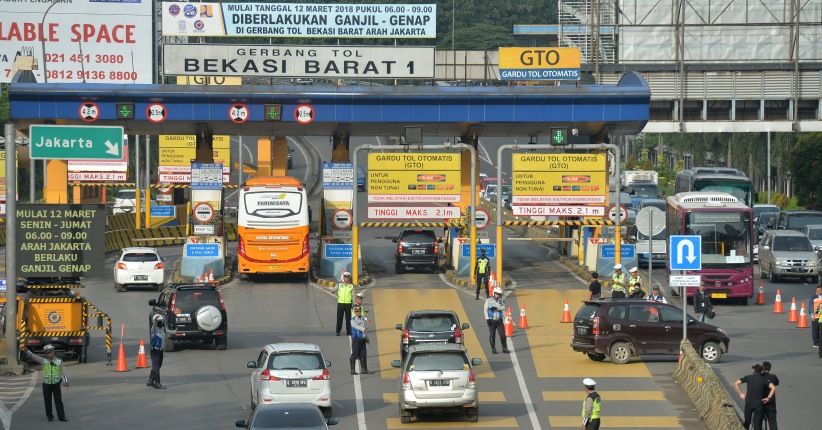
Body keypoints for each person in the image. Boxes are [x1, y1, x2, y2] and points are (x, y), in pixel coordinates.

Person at [25, 345, 69, 422]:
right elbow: (33, 356)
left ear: (53, 352)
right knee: (47, 401)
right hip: (46, 384)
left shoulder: (59, 361)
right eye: (47, 353)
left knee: (58, 401)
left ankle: (62, 417)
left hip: (56, 384)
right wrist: (26, 350)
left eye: (50, 352)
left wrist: (66, 381)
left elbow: (64, 371)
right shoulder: (43, 361)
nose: (49, 354)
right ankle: (50, 416)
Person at [733, 364, 775, 430]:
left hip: (749, 403)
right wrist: (768, 398)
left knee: (747, 422)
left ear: (753, 370)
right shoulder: (764, 379)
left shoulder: (748, 377)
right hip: (759, 404)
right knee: (757, 424)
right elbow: (773, 388)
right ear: (762, 371)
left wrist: (740, 394)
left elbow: (736, 383)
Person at [483, 287, 509, 354]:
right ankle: (493, 349)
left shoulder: (501, 300)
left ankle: (504, 348)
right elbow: (485, 309)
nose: (498, 295)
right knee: (492, 335)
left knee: (502, 335)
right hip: (491, 321)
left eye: (499, 294)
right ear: (494, 293)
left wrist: (497, 308)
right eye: (497, 293)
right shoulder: (489, 300)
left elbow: (503, 307)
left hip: (499, 320)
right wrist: (487, 319)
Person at [349, 306, 373, 375]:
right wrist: (364, 329)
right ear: (354, 312)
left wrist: (366, 337)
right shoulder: (353, 320)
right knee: (355, 354)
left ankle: (364, 370)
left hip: (362, 339)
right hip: (356, 339)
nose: (358, 312)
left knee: (363, 354)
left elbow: (363, 324)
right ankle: (352, 370)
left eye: (359, 311)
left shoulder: (362, 318)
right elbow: (357, 327)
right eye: (356, 311)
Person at [331, 271, 355, 336]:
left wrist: (354, 303)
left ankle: (349, 331)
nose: (346, 278)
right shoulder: (339, 284)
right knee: (339, 318)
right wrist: (332, 290)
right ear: (343, 278)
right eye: (345, 277)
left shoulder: (351, 286)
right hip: (340, 303)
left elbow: (353, 295)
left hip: (348, 304)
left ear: (349, 278)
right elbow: (334, 289)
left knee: (348, 319)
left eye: (347, 277)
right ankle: (338, 331)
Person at [148, 315, 167, 389]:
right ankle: (157, 383)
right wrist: (156, 320)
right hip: (155, 350)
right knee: (156, 367)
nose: (161, 322)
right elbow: (154, 325)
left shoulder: (162, 329)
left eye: (161, 321)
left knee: (158, 366)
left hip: (160, 351)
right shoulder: (154, 329)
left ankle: (150, 380)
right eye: (159, 321)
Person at [760, 361, 779, 430]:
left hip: (761, 402)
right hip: (771, 402)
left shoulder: (759, 377)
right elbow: (777, 382)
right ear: (770, 368)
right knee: (773, 422)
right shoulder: (773, 377)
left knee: (758, 421)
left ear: (762, 368)